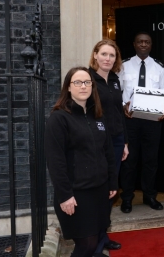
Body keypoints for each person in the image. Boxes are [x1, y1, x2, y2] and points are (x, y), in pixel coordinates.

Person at [45, 67, 117, 257]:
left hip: (99, 191)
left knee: (95, 243)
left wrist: (112, 182)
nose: (83, 86)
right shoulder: (59, 119)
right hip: (76, 195)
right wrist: (65, 196)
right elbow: (55, 161)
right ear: (68, 87)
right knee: (86, 244)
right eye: (77, 82)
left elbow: (108, 152)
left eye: (87, 82)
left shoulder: (98, 116)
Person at [117, 31, 164, 213]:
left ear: (151, 45)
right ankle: (127, 199)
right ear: (134, 44)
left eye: (147, 42)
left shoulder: (159, 68)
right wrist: (123, 104)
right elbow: (115, 91)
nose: (143, 44)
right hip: (130, 120)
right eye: (140, 41)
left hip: (152, 121)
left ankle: (150, 196)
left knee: (150, 160)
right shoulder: (123, 66)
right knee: (129, 161)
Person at [88, 39, 129, 256]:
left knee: (111, 190)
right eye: (104, 54)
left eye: (112, 55)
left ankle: (103, 237)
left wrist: (125, 142)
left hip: (116, 140)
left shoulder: (114, 80)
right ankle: (93, 241)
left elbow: (119, 112)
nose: (107, 59)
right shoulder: (87, 78)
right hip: (96, 142)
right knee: (98, 191)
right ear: (95, 55)